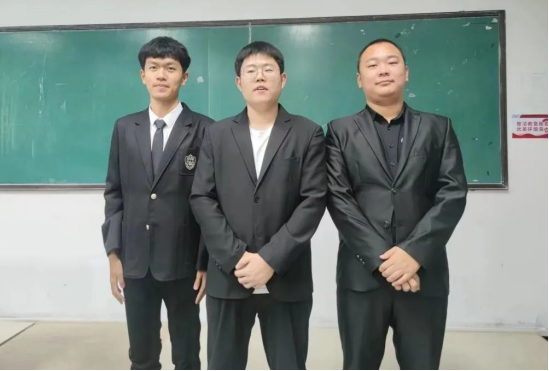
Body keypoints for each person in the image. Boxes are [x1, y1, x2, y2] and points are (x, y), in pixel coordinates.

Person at [327, 38, 468, 370]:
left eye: (391, 62)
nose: (383, 70)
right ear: (359, 79)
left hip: (423, 274)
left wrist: (412, 254)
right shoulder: (339, 131)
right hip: (362, 275)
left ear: (406, 72)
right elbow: (339, 199)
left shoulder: (438, 127)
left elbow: (452, 193)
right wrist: (387, 261)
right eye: (372, 65)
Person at [190, 41, 327, 370]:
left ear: (283, 79)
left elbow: (313, 200)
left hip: (287, 277)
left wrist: (270, 259)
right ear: (239, 82)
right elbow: (202, 197)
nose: (260, 76)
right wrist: (237, 256)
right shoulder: (217, 134)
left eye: (268, 69)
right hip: (229, 275)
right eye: (251, 71)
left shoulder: (308, 133)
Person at [102, 36, 213, 370]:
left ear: (184, 77)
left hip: (184, 263)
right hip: (135, 261)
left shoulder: (206, 129)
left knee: (187, 354)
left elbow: (212, 201)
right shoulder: (125, 127)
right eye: (154, 68)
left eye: (170, 68)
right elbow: (114, 193)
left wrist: (205, 261)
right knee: (142, 354)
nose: (161, 75)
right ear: (143, 75)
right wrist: (113, 254)